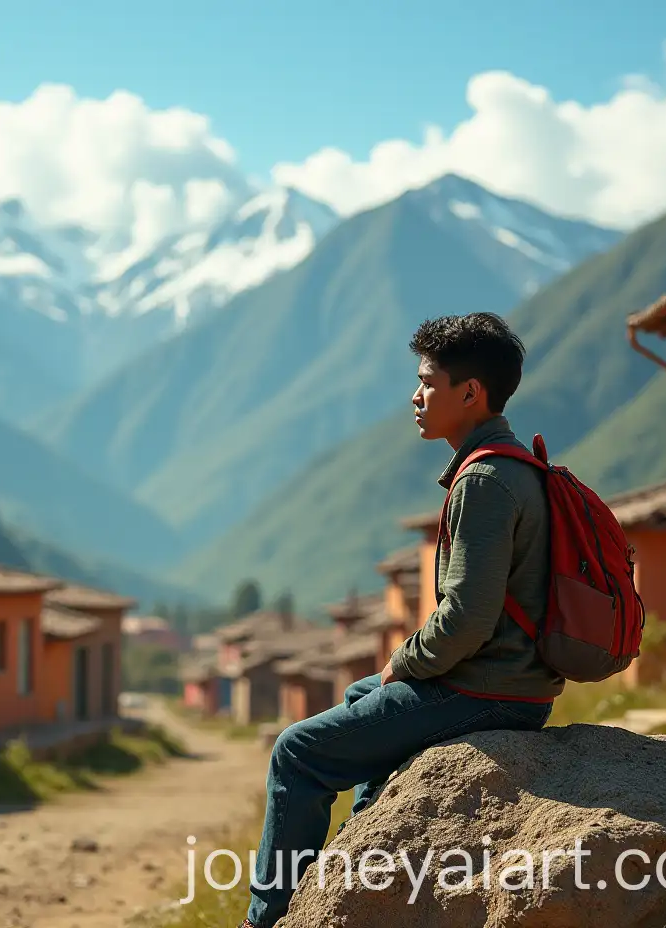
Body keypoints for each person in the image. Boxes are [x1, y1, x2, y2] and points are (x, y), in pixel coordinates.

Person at [240, 312, 563, 928]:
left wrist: (403, 660)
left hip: (490, 689)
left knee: (296, 751)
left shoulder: (488, 480)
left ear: (470, 393)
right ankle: (362, 865)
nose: (415, 397)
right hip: (503, 682)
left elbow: (467, 618)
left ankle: (267, 919)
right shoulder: (511, 465)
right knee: (362, 697)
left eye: (427, 382)